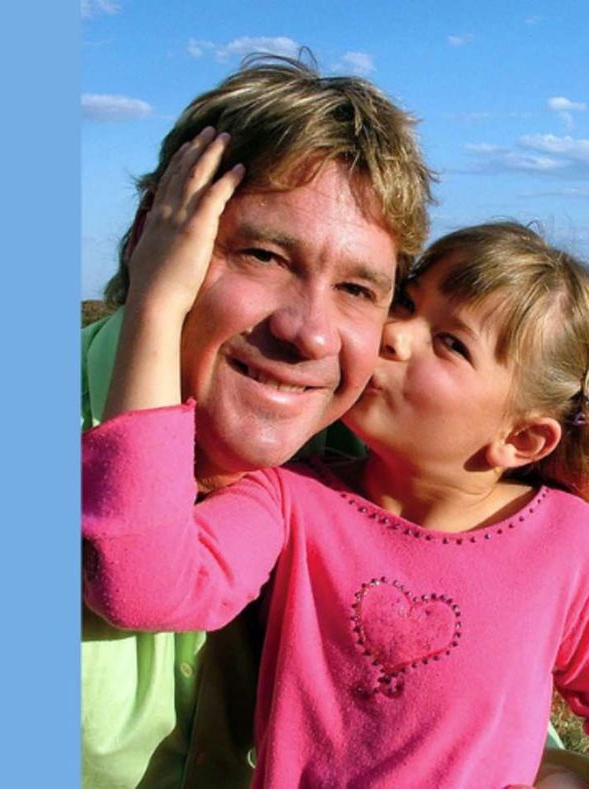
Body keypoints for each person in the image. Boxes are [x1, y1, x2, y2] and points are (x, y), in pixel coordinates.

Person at [82, 121, 589, 787]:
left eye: (450, 343)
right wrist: (158, 301)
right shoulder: (293, 499)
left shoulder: (568, 543)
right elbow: (141, 584)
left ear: (521, 440)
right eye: (408, 303)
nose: (394, 334)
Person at [81, 55, 433, 787]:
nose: (311, 333)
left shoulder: (372, 474)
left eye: (358, 289)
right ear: (153, 237)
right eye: (266, 256)